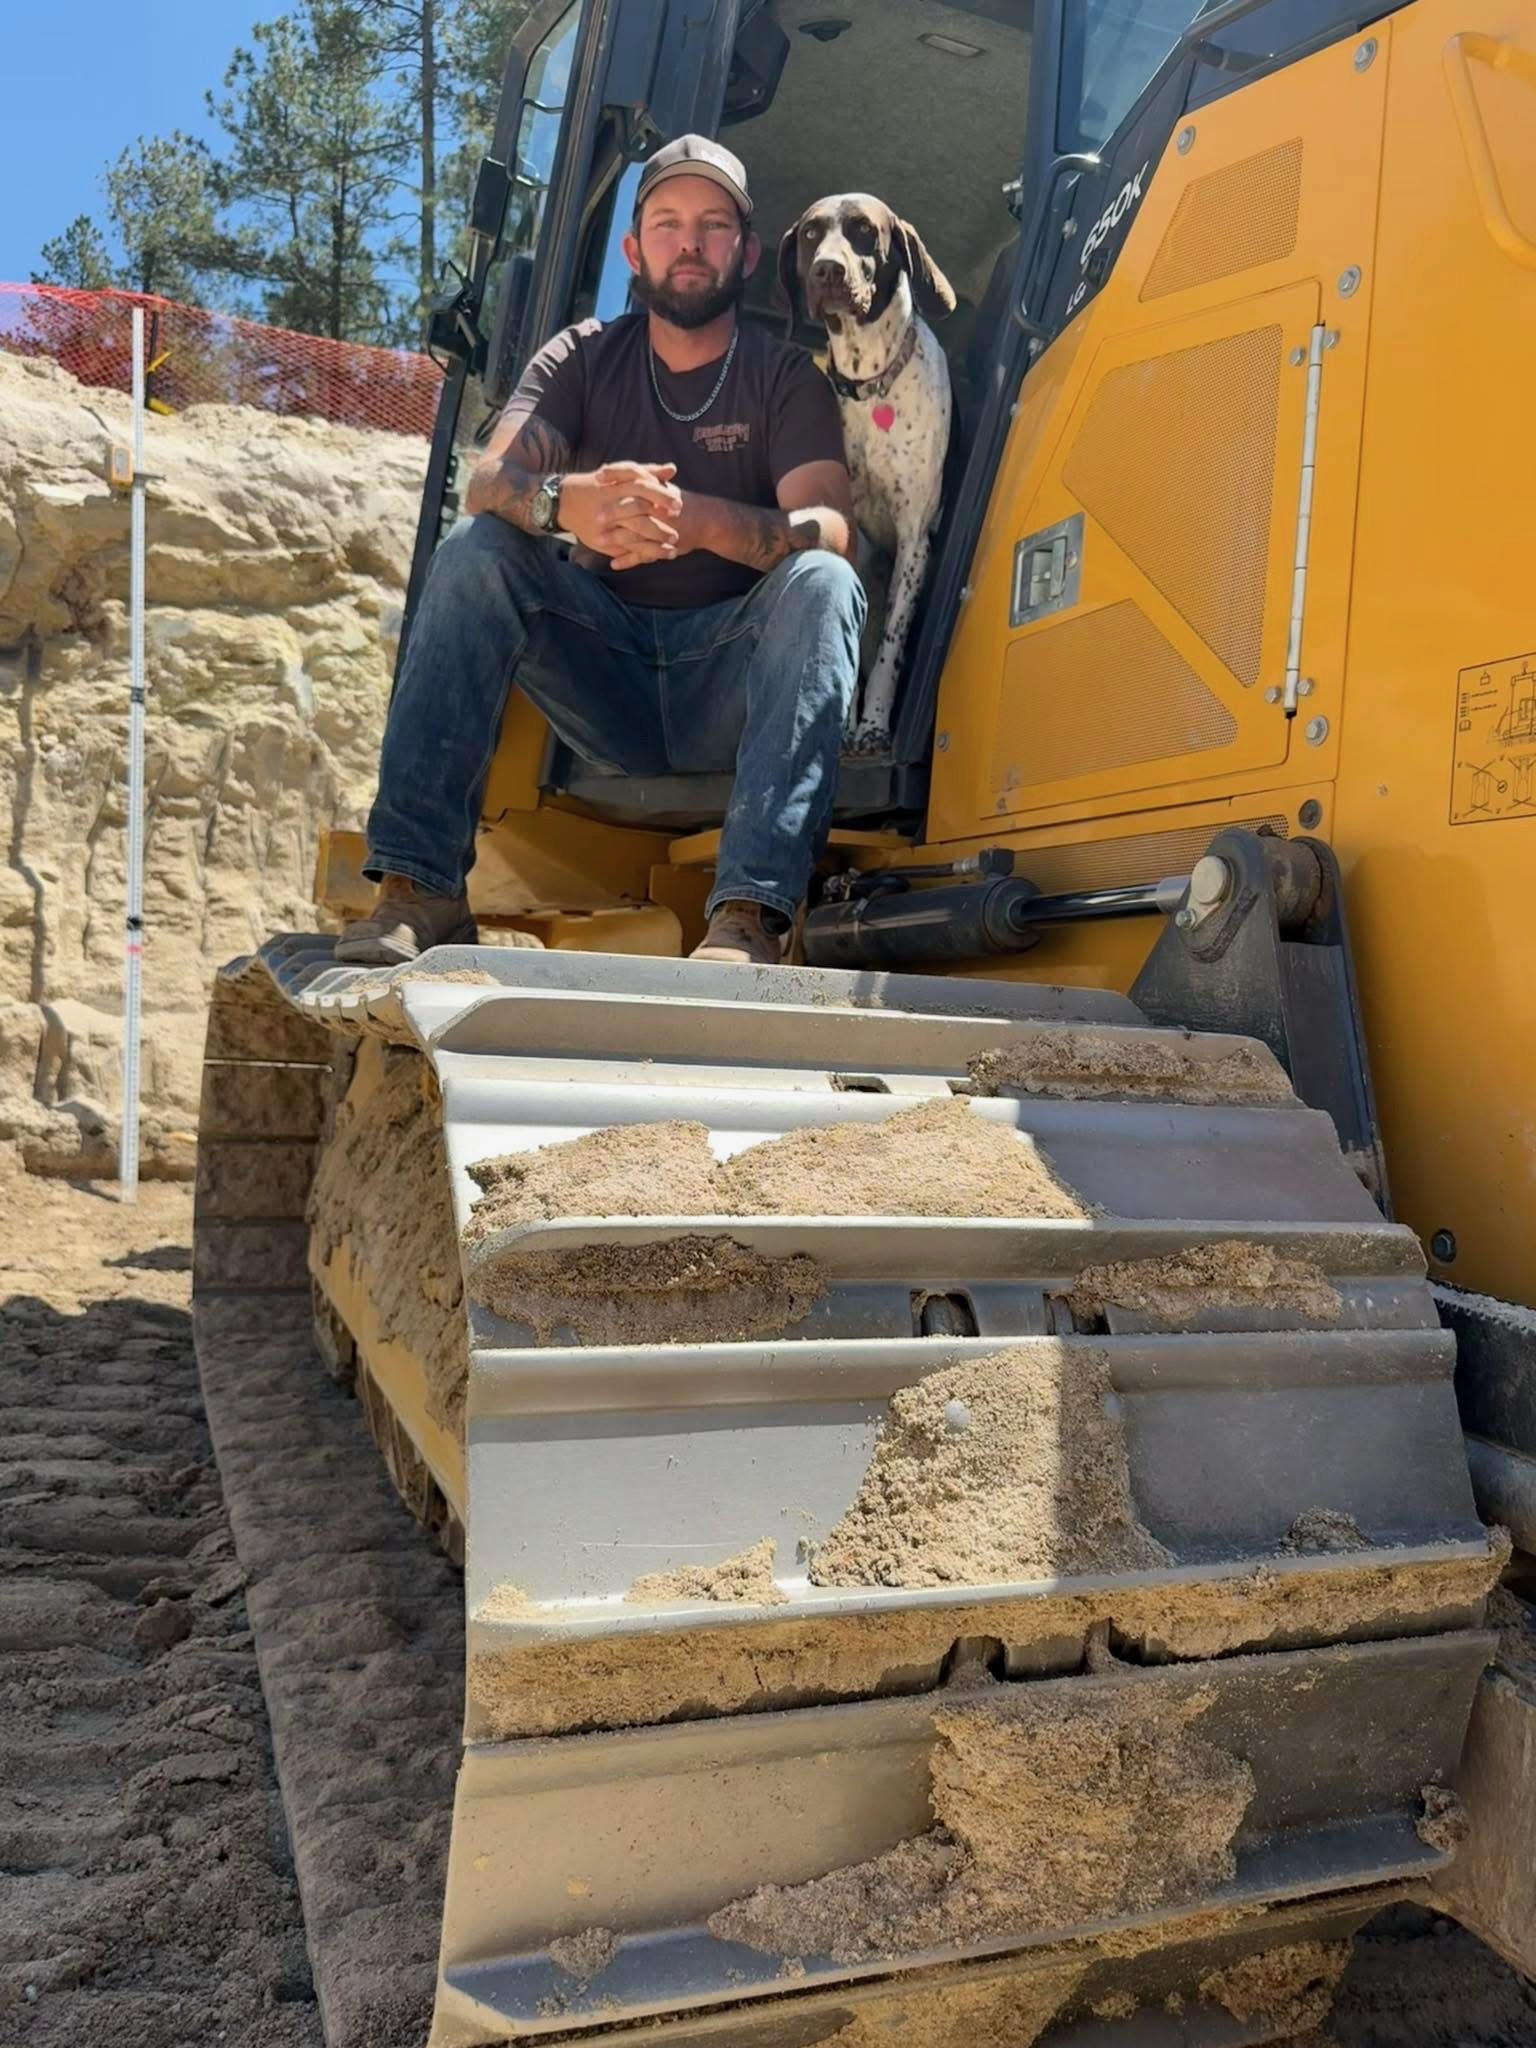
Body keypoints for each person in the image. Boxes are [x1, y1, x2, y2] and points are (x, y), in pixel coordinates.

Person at [338, 133, 866, 969]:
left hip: (729, 675)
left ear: (748, 252)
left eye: (712, 224)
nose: (688, 242)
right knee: (479, 546)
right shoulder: (582, 357)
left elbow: (831, 529)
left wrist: (699, 522)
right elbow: (487, 481)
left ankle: (750, 917)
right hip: (603, 671)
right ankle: (421, 889)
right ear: (634, 248)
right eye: (666, 222)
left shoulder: (784, 378)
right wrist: (564, 505)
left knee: (823, 582)